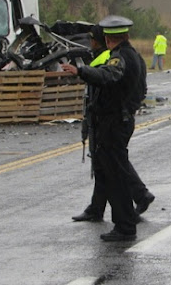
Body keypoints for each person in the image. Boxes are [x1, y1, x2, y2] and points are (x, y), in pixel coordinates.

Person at [61, 15, 151, 242]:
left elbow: (108, 76)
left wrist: (80, 71)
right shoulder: (135, 56)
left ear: (109, 39)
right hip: (121, 119)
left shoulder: (120, 59)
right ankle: (122, 219)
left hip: (113, 123)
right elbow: (142, 89)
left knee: (116, 177)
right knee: (113, 172)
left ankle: (125, 226)